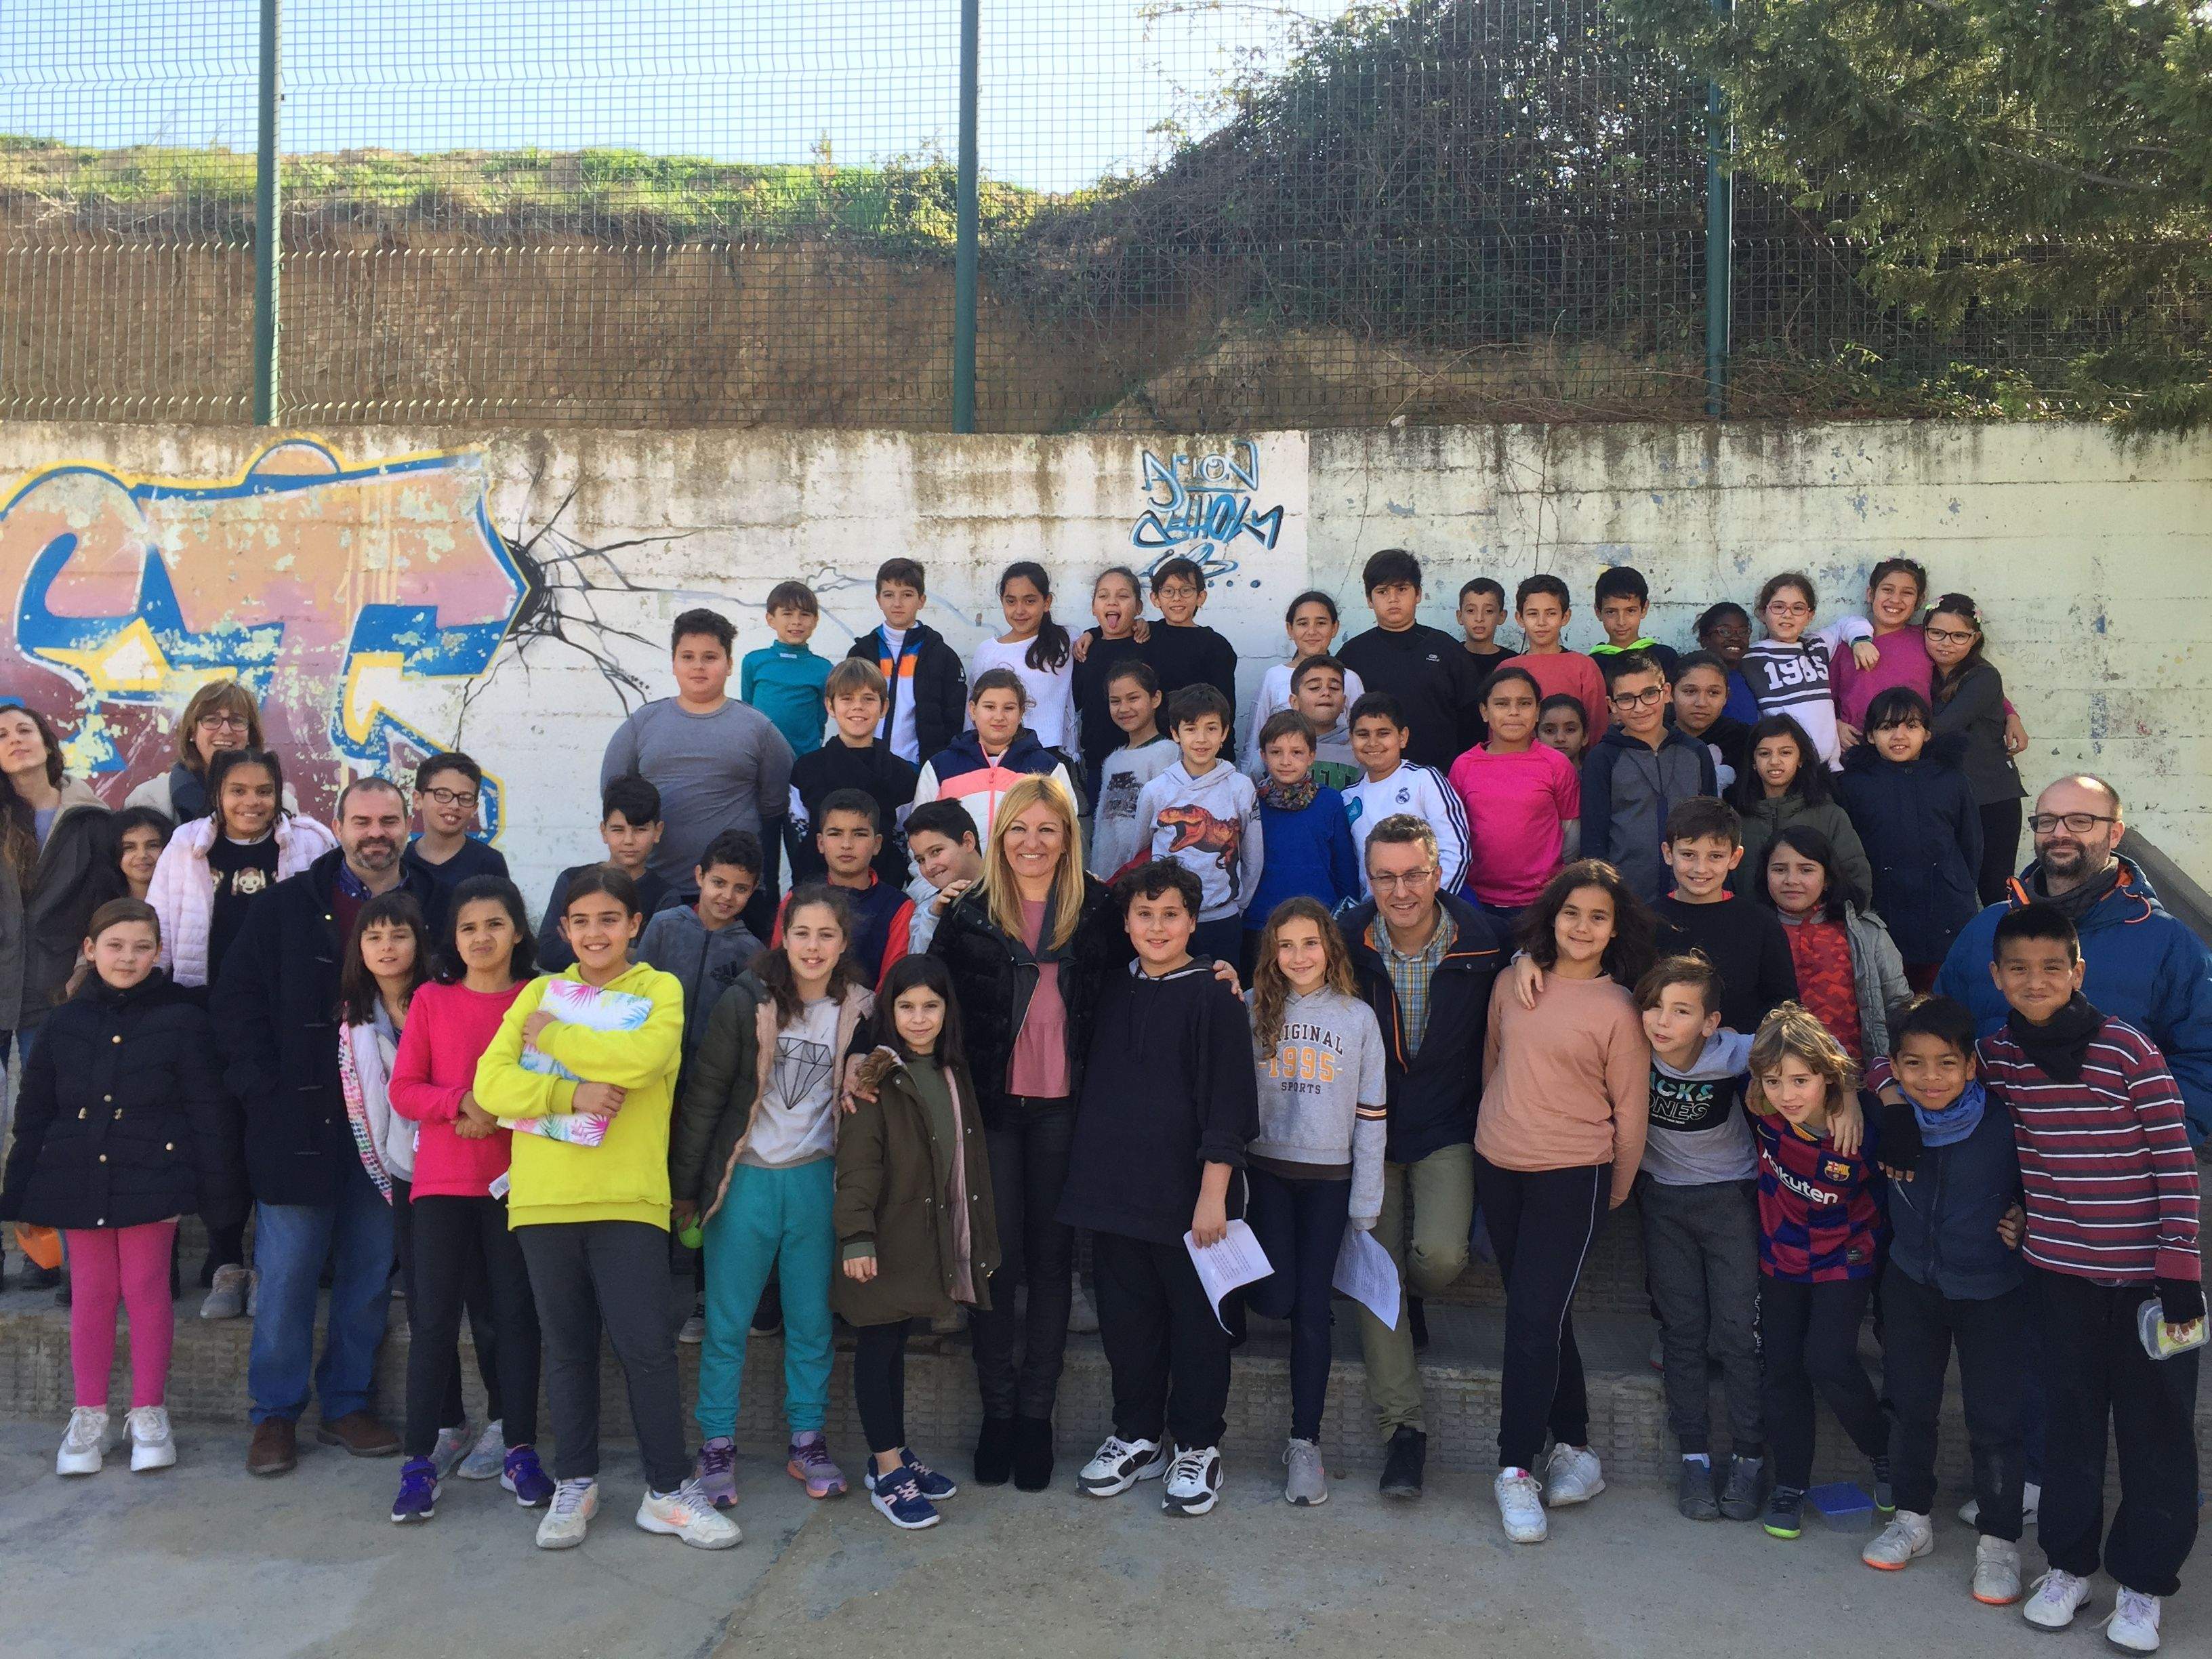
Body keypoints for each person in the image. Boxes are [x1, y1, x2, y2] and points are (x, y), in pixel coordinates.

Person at [474, 864, 737, 1551]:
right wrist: (569, 1094)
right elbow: (491, 1084)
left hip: (628, 1199)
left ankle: (668, 1491)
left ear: (634, 925)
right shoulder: (538, 992)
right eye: (582, 921)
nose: (596, 933)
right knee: (566, 1350)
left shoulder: (657, 991)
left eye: (610, 919)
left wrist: (553, 1039)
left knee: (647, 1349)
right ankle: (576, 1484)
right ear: (563, 929)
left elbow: (642, 1060)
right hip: (544, 1201)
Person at [1972, 904, 2200, 1647]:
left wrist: (2179, 1266)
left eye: (2051, 967)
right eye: (2018, 969)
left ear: (2078, 971)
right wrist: (1886, 1095)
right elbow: (1916, 1061)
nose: (2035, 981)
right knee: (2069, 1430)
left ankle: (2142, 1586)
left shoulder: (2128, 1049)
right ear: (1997, 976)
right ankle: (2068, 1567)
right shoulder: (2001, 1056)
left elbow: (2175, 1161)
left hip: (2151, 1286)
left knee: (2156, 1436)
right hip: (2061, 1278)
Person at [214, 777, 441, 1477]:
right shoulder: (286, 906)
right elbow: (236, 1002)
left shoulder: (439, 905)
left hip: (392, 1126)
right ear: (337, 826)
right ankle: (274, 1415)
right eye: (362, 821)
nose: (376, 833)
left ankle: (347, 1404)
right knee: (286, 1277)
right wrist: (262, 1091)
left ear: (408, 824)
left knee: (369, 1274)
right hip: (296, 1122)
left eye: (389, 821)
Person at [928, 774, 1132, 1491]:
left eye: (1048, 829)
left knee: (1051, 1264)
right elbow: (930, 1001)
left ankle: (1036, 1417)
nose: (1032, 843)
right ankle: (999, 1413)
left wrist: (1217, 971)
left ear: (1068, 838)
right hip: (992, 1108)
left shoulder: (1100, 910)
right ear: (999, 837)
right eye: (1019, 829)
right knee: (996, 1263)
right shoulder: (969, 913)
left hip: (1065, 1110)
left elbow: (1142, 983)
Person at [1, 899, 237, 1476]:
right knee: (92, 1292)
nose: (127, 958)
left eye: (141, 947)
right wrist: (22, 1191)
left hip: (152, 1174)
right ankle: (88, 1416)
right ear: (90, 949)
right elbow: (34, 1112)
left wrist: (218, 1189)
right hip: (77, 1173)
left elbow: (207, 1111)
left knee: (148, 1287)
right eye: (114, 945)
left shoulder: (183, 1021)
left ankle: (149, 1412)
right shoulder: (63, 1023)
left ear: (158, 953)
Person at [1062, 861, 1257, 1519]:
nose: (1157, 927)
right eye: (1143, 915)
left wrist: (1213, 1194)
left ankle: (1198, 1444)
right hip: (1116, 1193)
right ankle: (1138, 1434)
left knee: (1198, 1330)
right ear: (1125, 923)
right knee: (1127, 1325)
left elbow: (1229, 1105)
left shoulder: (1215, 996)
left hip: (1191, 1201)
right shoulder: (1109, 989)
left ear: (1193, 922)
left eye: (1171, 915)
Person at [673, 884, 872, 1511]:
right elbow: (705, 1096)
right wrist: (686, 1189)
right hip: (746, 1181)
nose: (813, 947)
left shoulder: (860, 1008)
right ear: (782, 936)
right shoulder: (747, 1001)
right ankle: (717, 1442)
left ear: (844, 943)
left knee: (811, 1321)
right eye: (802, 933)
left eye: (827, 935)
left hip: (816, 1181)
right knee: (727, 1322)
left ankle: (807, 1439)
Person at [1476, 861, 1652, 1544]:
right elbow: (1493, 1065)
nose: (1582, 926)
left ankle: (1515, 1467)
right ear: (1551, 918)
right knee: (1543, 1315)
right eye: (1571, 912)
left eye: (1598, 917)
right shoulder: (1512, 983)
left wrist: (1616, 1191)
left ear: (1614, 930)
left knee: (1531, 1318)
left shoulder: (1620, 1009)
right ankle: (1576, 1447)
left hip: (1574, 1176)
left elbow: (1631, 1113)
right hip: (1500, 1166)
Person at [1341, 814, 1504, 1500]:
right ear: (1369, 878)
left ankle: (1412, 1299)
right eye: (1385, 877)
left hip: (1445, 1128)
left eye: (1414, 875)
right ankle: (1402, 1431)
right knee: (1377, 1280)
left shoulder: (1485, 944)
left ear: (1438, 873)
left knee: (1439, 1259)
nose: (1401, 890)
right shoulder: (1345, 941)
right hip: (1367, 1132)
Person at [144, 745, 335, 1316]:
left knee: (279, 1134)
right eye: (238, 791)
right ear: (216, 795)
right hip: (203, 1013)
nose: (251, 802)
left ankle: (279, 1266)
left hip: (288, 1018)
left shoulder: (311, 842)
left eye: (263, 791)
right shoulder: (186, 845)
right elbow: (160, 923)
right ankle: (226, 1260)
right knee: (219, 1138)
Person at [386, 876, 551, 1523]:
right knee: (432, 1322)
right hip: (441, 1186)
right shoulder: (432, 999)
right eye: (468, 927)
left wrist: (499, 1112)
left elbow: (557, 1083)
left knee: (513, 1318)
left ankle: (519, 1449)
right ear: (452, 939)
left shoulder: (541, 998)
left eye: (495, 924)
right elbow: (406, 1089)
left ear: (518, 931)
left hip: (519, 1184)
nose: (482, 938)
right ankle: (418, 1463)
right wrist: (461, 1103)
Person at [1857, 995, 2029, 1605]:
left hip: (1993, 1290)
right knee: (1909, 1406)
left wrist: (2026, 1216)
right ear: (1897, 1066)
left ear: (1971, 1065)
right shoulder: (1887, 1114)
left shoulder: (2006, 1122)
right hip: (1911, 1282)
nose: (1931, 1078)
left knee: (1996, 1421)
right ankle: (1912, 1520)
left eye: (1947, 1064)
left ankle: (2000, 1543)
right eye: (1915, 1064)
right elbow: (1855, 1071)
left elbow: (2046, 1180)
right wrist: (1888, 1101)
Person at [1938, 774, 2212, 1145]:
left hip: (2114, 1163)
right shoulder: (1986, 928)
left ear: (2115, 834)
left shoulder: (2167, 940)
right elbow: (1939, 1035)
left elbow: (2202, 1058)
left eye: (2080, 821)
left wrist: (2150, 1139)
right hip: (1995, 1156)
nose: (2059, 833)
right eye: (2047, 821)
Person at [835, 954, 999, 1530]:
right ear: (890, 1011)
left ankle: (896, 1452)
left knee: (897, 1342)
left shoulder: (952, 1071)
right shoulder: (877, 1075)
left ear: (948, 1011)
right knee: (877, 1346)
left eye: (931, 1006)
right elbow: (858, 1164)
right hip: (882, 1237)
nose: (920, 1018)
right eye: (906, 1007)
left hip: (921, 1236)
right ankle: (886, 1473)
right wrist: (856, 1236)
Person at [335, 890, 483, 1512]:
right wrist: (389, 1172)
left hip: (468, 1160)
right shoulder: (355, 1020)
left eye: (399, 935)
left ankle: (508, 1428)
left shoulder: (447, 996)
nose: (387, 947)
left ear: (421, 942)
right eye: (374, 937)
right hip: (403, 1170)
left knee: (490, 1302)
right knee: (428, 1304)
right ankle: (449, 1423)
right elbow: (364, 1107)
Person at [1242, 897, 1386, 1506]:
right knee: (1275, 1297)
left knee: (1310, 1310)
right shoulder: (1251, 1007)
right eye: (1286, 945)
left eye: (1310, 943)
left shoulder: (1357, 1018)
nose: (1299, 956)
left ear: (1330, 947)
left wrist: (1365, 1202)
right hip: (1267, 1172)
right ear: (1271, 953)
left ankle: (1305, 1443)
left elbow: (1372, 1115)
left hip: (1329, 1180)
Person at [1746, 1002, 1890, 1542]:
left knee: (1828, 1360)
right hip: (1780, 1259)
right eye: (1774, 1080)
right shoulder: (1759, 1106)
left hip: (1845, 1259)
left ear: (1827, 1077)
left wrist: (1850, 1095)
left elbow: (1864, 1073)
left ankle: (1886, 1454)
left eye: (1800, 1081)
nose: (1787, 1094)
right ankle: (1790, 1485)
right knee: (1781, 1369)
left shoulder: (1863, 1122)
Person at [1633, 956, 1762, 1523]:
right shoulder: (1632, 1046)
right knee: (1682, 1332)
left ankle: (1750, 1456)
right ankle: (1695, 1457)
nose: (1663, 1022)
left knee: (1736, 1334)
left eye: (1681, 1011)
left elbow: (1821, 1051)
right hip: (1663, 1202)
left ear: (1711, 1023)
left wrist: (1851, 1100)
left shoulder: (1731, 1052)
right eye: (1654, 1006)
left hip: (1731, 1199)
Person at [600, 607, 793, 907]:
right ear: (673, 664)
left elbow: (776, 810)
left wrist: (767, 890)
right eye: (687, 657)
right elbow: (614, 799)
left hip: (734, 898)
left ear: (729, 665)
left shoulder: (759, 729)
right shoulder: (641, 725)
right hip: (654, 892)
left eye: (710, 657)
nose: (698, 667)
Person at [1837, 687, 1983, 985]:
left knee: (1944, 994)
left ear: (1927, 734)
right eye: (1887, 727)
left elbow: (1971, 843)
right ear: (1870, 736)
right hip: (1883, 908)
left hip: (1945, 909)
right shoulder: (1853, 784)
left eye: (1911, 726)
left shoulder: (1951, 779)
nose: (1899, 736)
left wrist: (1957, 885)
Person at [1, 705, 119, 1061]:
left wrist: (83, 972)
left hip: (58, 991)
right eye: (2, 736)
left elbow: (106, 903)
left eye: (24, 731)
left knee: (48, 1093)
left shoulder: (90, 820)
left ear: (47, 745)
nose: (15, 740)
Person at [1759, 824, 1911, 1063]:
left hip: (1856, 1073)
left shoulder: (1865, 933)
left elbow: (1898, 1006)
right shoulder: (1753, 931)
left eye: (1806, 870)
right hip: (1776, 1074)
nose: (1791, 880)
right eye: (1780, 870)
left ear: (1827, 879)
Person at [1134, 684, 1262, 966]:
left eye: (1211, 728)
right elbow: (1140, 851)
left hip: (1221, 919)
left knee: (1221, 988)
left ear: (1225, 733)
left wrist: (1238, 904)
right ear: (1175, 733)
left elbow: (1253, 856)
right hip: (1166, 920)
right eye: (1191, 729)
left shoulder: (1240, 787)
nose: (1201, 739)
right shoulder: (1156, 791)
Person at [1650, 798, 1799, 1034]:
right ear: (1668, 853)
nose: (1700, 868)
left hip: (1745, 1054)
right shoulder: (1645, 922)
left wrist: (1739, 1041)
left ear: (1734, 857)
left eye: (1715, 856)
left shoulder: (1760, 924)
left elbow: (1785, 1006)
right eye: (1688, 854)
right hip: (1659, 1052)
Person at [1578, 654, 1717, 903]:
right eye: (1626, 699)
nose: (1640, 708)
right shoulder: (1603, 758)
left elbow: (1713, 826)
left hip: (1691, 893)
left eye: (1649, 694)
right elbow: (1594, 838)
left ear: (1667, 692)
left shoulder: (1696, 753)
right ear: (1612, 705)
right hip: (1626, 898)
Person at [1449, 666, 1581, 922]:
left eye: (1524, 703)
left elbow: (1571, 833)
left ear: (1538, 711)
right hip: (1477, 899)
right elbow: (1455, 833)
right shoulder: (1464, 766)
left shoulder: (1557, 764)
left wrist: (1553, 881)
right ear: (1484, 712)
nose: (1513, 712)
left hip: (1542, 901)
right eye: (1502, 704)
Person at [1336, 548, 1485, 770]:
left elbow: (1473, 719)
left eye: (1402, 589)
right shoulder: (1352, 654)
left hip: (1439, 775)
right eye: (1382, 591)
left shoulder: (1446, 649)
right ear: (1369, 600)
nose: (1393, 599)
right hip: (1371, 777)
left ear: (1418, 594)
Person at [1926, 594, 2028, 904]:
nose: (1946, 643)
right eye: (1937, 633)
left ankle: (2014, 936)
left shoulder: (1983, 676)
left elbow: (1944, 726)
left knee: (1995, 889)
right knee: (1949, 887)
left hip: (1992, 798)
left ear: (1976, 639)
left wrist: (1889, 735)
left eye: (1959, 636)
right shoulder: (1926, 672)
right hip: (1950, 797)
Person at [911, 668, 1081, 854]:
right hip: (960, 872)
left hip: (1026, 870)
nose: (999, 717)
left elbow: (1067, 832)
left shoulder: (1048, 769)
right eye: (989, 707)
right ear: (973, 710)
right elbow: (920, 835)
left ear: (1021, 712)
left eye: (1009, 708)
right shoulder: (940, 768)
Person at [1241, 714, 1359, 972]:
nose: (1286, 761)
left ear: (1311, 756)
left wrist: (1345, 921)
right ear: (1263, 755)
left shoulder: (1330, 802)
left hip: (1318, 923)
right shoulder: (1250, 802)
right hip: (1260, 922)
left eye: (1297, 752)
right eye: (1276, 752)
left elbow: (1345, 869)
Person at [785, 657, 917, 889]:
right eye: (847, 698)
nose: (858, 707)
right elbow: (799, 835)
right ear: (830, 706)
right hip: (817, 893)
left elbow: (903, 839)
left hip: (881, 893)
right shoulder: (806, 770)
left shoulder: (902, 774)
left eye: (868, 699)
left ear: (884, 707)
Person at [637, 829, 764, 1064]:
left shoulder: (752, 951)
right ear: (699, 876)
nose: (727, 896)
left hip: (712, 1071)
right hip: (653, 1060)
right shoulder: (664, 926)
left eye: (741, 888)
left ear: (753, 889)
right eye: (719, 883)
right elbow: (636, 995)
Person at [1727, 714, 1874, 909]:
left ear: (1801, 759)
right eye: (1765, 754)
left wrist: (1832, 921)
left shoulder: (1829, 815)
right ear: (1753, 761)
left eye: (1785, 753)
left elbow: (1857, 878)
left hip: (1818, 925)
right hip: (1749, 925)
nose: (1775, 761)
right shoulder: (1735, 819)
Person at [771, 792, 915, 985]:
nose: (846, 845)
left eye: (859, 834)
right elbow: (777, 969)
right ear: (821, 843)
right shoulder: (795, 900)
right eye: (835, 834)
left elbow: (892, 983)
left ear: (877, 844)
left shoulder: (898, 907)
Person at [1740, 571, 1877, 769]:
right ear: (1763, 613)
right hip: (1785, 769)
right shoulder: (1751, 658)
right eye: (1778, 607)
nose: (1787, 614)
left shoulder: (1817, 646)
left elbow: (1848, 623)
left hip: (1830, 768)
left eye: (1798, 608)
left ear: (1810, 615)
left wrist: (1860, 641)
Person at [537, 774, 670, 975]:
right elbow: (548, 954)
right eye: (618, 830)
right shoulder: (572, 880)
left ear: (658, 832)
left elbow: (659, 963)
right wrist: (628, 951)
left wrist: (581, 944)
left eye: (640, 830)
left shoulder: (664, 895)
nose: (628, 840)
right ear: (603, 831)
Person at [847, 556, 968, 771]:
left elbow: (954, 718)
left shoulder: (942, 656)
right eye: (889, 595)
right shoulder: (861, 653)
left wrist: (938, 764)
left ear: (921, 600)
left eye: (907, 595)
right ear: (878, 600)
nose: (897, 603)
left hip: (919, 768)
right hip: (865, 764)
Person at [1343, 692, 1469, 896]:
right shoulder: (1348, 798)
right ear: (1351, 739)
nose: (1372, 743)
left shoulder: (1424, 780)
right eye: (1363, 734)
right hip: (1376, 908)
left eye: (1383, 733)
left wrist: (1431, 903)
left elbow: (1457, 851)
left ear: (1403, 737)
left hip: (1427, 903)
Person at [1240, 590, 1367, 772]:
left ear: (1335, 628)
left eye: (1321, 623)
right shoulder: (1274, 677)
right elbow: (1255, 739)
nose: (1312, 631)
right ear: (1290, 629)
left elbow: (1361, 733)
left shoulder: (1350, 679)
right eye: (1303, 623)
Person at [124, 678, 279, 821]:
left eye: (237, 720)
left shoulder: (281, 803)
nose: (225, 730)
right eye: (212, 720)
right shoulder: (149, 799)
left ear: (250, 734)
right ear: (192, 732)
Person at [970, 561, 1078, 756]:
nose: (1019, 610)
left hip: (1051, 752)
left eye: (1030, 601)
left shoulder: (1066, 640)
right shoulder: (987, 652)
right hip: (1000, 755)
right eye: (1011, 601)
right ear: (1002, 601)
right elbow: (973, 711)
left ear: (1047, 602)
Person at [1088, 659, 1178, 881]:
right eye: (1115, 701)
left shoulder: (1167, 753)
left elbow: (1165, 825)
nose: (1124, 708)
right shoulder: (1113, 760)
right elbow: (1103, 828)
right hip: (1107, 878)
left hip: (1144, 878)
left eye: (1133, 698)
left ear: (1155, 698)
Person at [1070, 565, 1154, 801]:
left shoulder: (1148, 645)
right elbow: (1077, 701)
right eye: (1103, 596)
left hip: (1145, 761)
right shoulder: (1084, 651)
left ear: (1138, 607)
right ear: (1093, 607)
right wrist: (1093, 633)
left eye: (1123, 596)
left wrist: (1145, 625)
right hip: (1097, 764)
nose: (1112, 602)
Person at [1829, 556, 1933, 743]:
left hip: (1914, 747)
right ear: (1871, 594)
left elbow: (1956, 680)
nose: (1895, 600)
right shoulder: (1845, 645)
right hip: (1858, 746)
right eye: (1887, 590)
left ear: (1919, 600)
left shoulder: (1926, 640)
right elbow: (1823, 698)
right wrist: (1835, 725)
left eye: (1907, 593)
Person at [1500, 575, 1610, 743]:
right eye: (1533, 614)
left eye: (1551, 613)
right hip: (1519, 758)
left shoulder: (1584, 667)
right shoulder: (1507, 669)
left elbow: (1596, 726)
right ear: (1520, 618)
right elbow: (1498, 729)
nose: (1541, 622)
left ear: (1565, 617)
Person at [741, 579, 831, 761]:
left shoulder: (824, 669)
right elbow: (748, 708)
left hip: (805, 760)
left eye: (805, 614)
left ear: (815, 621)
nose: (796, 622)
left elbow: (821, 717)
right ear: (771, 619)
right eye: (787, 614)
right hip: (761, 759)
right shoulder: (754, 661)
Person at [1140, 556, 1237, 711]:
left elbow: (1225, 707)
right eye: (1168, 591)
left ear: (1200, 597)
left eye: (1186, 590)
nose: (1177, 598)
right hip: (1154, 727)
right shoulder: (1146, 635)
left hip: (1196, 726)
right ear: (1156, 599)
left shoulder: (1216, 646)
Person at [403, 752, 508, 890]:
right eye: (442, 794)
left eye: (465, 798)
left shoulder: (489, 863)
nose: (454, 806)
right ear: (418, 799)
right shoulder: (400, 862)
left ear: (474, 808)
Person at [901, 800, 982, 958]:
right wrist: (934, 916)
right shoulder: (927, 910)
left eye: (936, 851)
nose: (929, 867)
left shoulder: (1014, 887)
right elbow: (919, 965)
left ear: (968, 842)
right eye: (920, 860)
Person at [1672, 651, 1750, 794]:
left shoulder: (1744, 740)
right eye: (1690, 691)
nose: (1701, 703)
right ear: (1670, 693)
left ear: (1726, 696)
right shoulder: (1656, 740)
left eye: (1713, 693)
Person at [1589, 565, 1681, 687]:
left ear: (1644, 609)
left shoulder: (1665, 657)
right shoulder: (1591, 665)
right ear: (1598, 612)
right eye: (1611, 612)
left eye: (1630, 611)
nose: (1621, 622)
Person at [1287, 654, 1362, 790]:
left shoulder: (1361, 750)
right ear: (1294, 702)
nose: (1326, 692)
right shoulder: (1274, 749)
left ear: (1344, 703)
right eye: (1314, 687)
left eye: (1334, 687)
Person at [1694, 602, 1761, 726]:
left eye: (1743, 632)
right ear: (1705, 641)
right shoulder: (1697, 679)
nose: (1735, 638)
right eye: (1724, 631)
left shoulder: (1751, 676)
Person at [111, 806, 173, 904]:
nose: (142, 855)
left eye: (152, 845)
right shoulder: (104, 906)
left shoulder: (188, 902)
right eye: (129, 847)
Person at [1456, 576, 1513, 676]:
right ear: (1460, 616)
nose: (1479, 619)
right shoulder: (1449, 657)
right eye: (1471, 611)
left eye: (1489, 611)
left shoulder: (1512, 663)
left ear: (1502, 616)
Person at [1535, 693, 1589, 766]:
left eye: (1570, 730)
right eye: (1549, 731)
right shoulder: (1525, 773)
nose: (1560, 738)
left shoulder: (1598, 772)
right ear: (1536, 735)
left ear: (1585, 737)